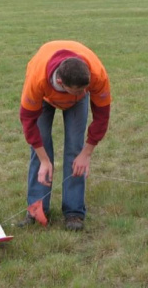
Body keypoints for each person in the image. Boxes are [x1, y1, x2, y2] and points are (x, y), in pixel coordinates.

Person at [18, 41, 112, 231]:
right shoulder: (37, 79)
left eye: (85, 89)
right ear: (60, 82)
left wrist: (86, 154)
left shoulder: (96, 75)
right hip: (44, 97)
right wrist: (45, 160)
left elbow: (102, 116)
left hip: (74, 98)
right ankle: (37, 210)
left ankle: (74, 213)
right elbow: (28, 122)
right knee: (41, 152)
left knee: (75, 150)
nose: (83, 93)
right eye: (78, 90)